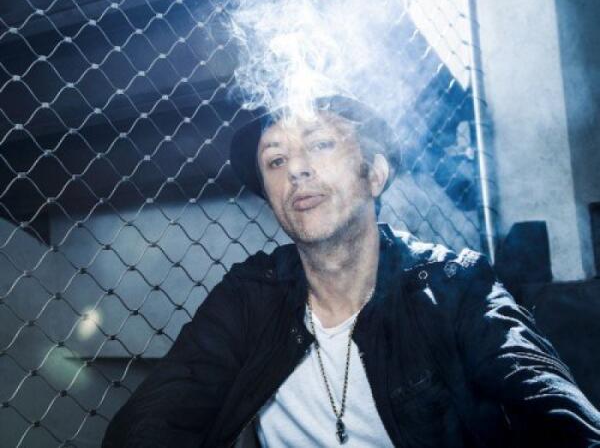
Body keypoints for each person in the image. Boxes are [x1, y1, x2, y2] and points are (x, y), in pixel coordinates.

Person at [102, 95, 600, 447]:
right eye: (275, 160)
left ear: (374, 175)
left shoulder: (453, 285)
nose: (296, 169)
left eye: (320, 145)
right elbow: (155, 418)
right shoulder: (250, 295)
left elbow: (556, 409)